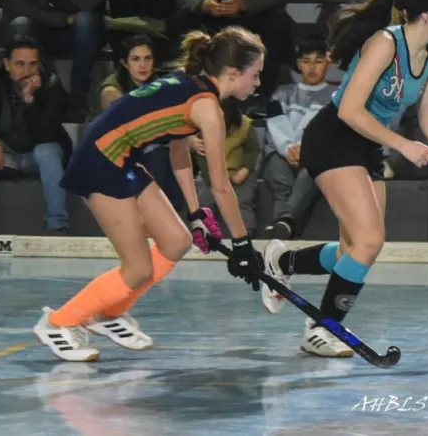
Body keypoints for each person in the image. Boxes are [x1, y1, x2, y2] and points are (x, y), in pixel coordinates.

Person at [259, 0, 428, 357]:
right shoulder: (385, 44)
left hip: (367, 146)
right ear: (426, 13)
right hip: (334, 137)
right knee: (370, 241)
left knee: (353, 250)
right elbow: (350, 111)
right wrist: (402, 145)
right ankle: (322, 327)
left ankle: (282, 260)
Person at [32, 26, 268, 362]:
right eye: (255, 75)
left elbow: (179, 154)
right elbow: (220, 184)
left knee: (176, 241)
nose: (257, 84)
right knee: (137, 269)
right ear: (233, 72)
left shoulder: (192, 82)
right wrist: (242, 244)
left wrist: (196, 213)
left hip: (122, 158)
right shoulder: (208, 109)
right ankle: (58, 322)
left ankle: (109, 314)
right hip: (100, 162)